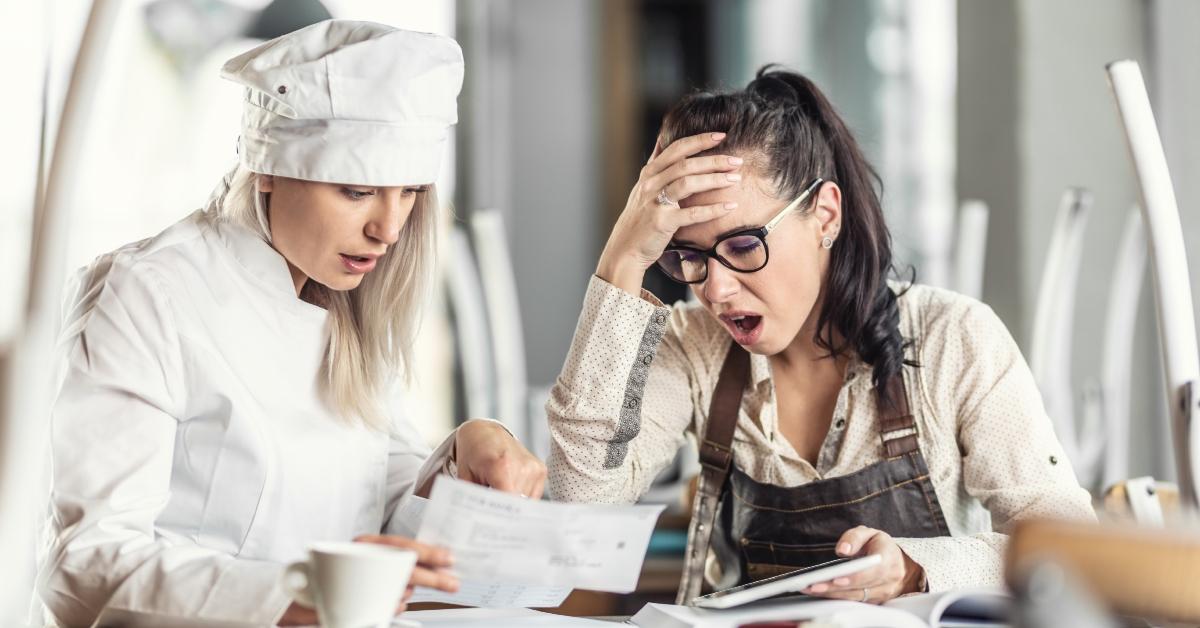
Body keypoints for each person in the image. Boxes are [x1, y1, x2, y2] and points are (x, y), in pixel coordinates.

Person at [35, 20, 545, 627]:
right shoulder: (148, 294)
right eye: (356, 191)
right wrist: (297, 593)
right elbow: (85, 565)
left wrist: (462, 459)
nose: (388, 228)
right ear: (269, 168)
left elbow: (373, 497)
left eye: (408, 192)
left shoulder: (343, 302)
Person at [546, 67, 1096, 605]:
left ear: (825, 215)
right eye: (688, 256)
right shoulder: (695, 347)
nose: (715, 289)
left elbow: (1067, 551)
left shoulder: (953, 340)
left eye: (742, 247)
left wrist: (915, 569)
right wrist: (623, 259)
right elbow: (582, 509)